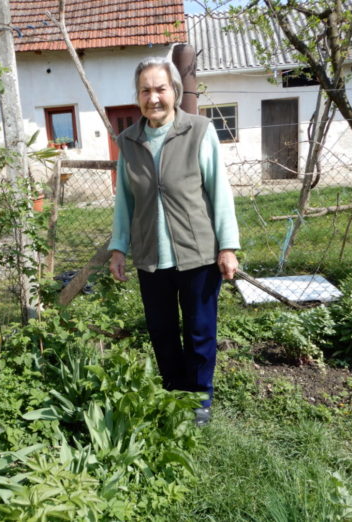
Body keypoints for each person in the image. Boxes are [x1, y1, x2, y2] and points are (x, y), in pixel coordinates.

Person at [108, 56, 240, 426]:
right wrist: (119, 247)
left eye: (160, 88)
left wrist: (227, 246)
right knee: (162, 331)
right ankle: (173, 392)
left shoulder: (198, 129)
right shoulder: (129, 140)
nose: (154, 97)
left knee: (199, 330)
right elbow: (124, 201)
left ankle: (199, 399)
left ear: (174, 92)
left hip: (198, 252)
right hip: (151, 255)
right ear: (137, 96)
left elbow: (219, 191)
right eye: (146, 90)